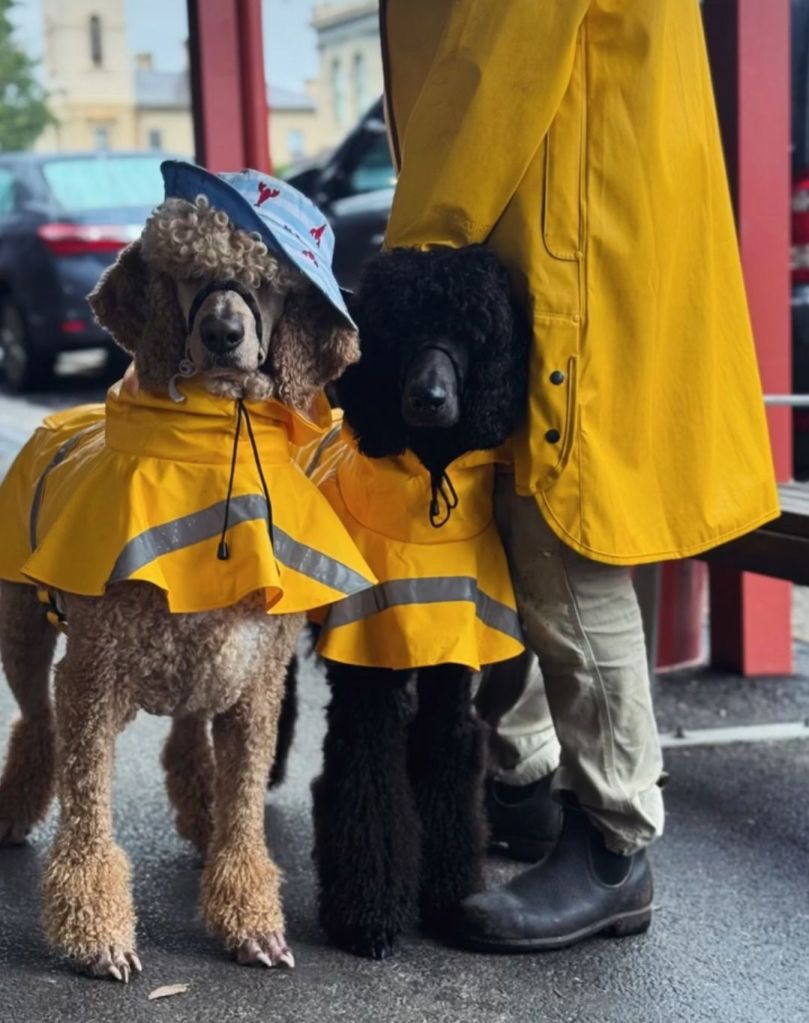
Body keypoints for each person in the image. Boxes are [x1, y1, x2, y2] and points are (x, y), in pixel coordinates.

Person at [379, 0, 779, 950]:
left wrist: (418, 250)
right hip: (558, 222)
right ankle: (522, 776)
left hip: (561, 229)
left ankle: (612, 840)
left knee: (563, 531)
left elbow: (492, 67)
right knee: (509, 506)